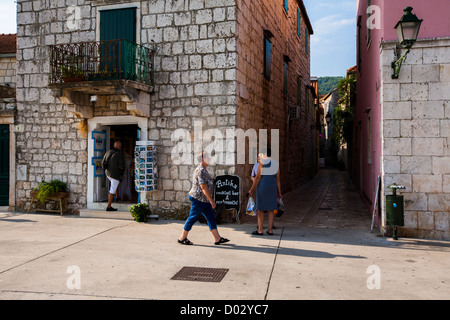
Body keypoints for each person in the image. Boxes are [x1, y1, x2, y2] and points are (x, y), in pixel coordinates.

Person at [178, 152, 230, 245]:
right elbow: (203, 187)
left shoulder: (204, 170)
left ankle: (217, 238)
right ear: (202, 159)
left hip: (204, 199)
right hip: (198, 199)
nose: (209, 159)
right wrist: (211, 200)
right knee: (192, 218)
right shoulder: (200, 170)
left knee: (211, 218)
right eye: (207, 158)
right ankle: (182, 237)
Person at [248, 148, 281, 235]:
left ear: (265, 154)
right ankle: (270, 230)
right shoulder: (276, 164)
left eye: (262, 154)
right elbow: (278, 180)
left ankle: (260, 230)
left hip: (262, 187)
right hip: (272, 188)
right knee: (271, 209)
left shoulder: (262, 163)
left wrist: (252, 189)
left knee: (260, 209)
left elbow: (258, 177)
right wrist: (279, 192)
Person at [102, 141, 125, 211]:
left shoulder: (108, 152)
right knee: (112, 190)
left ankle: (117, 196)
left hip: (108, 173)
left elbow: (103, 162)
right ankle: (109, 206)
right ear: (120, 147)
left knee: (115, 185)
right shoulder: (119, 154)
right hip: (115, 174)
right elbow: (121, 166)